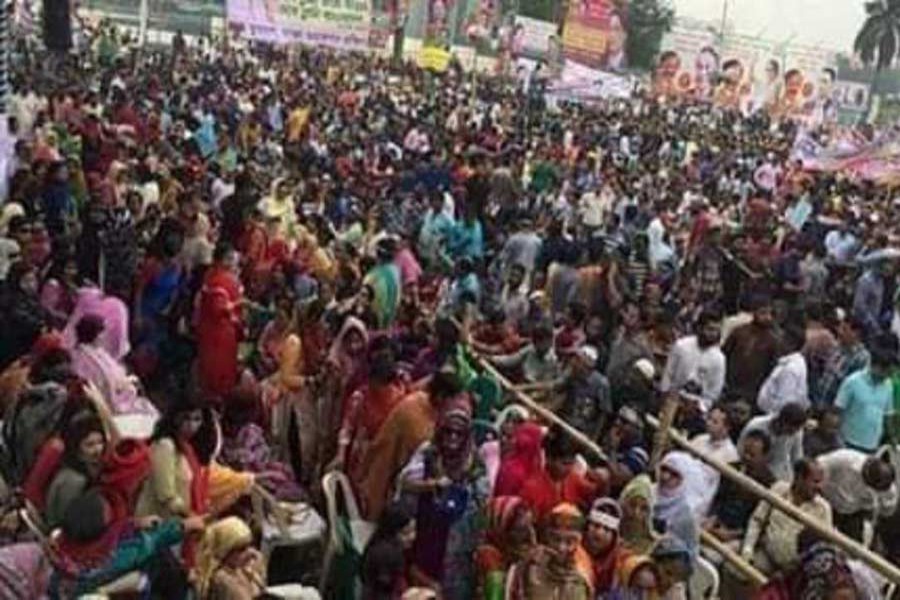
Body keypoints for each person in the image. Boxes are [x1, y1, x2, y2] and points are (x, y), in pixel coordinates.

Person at [400, 395, 489, 600]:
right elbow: (404, 482)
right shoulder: (429, 453)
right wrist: (432, 485)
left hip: (458, 541)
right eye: (448, 432)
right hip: (427, 532)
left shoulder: (475, 463)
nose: (452, 438)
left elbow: (483, 500)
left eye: (459, 434)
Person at [359, 371, 464, 520]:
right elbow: (410, 471)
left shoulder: (421, 402)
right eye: (454, 399)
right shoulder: (418, 423)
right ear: (441, 397)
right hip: (388, 488)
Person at [741, 458, 833, 575]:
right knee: (739, 570)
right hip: (766, 556)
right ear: (799, 478)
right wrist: (748, 550)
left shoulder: (823, 508)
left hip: (797, 572)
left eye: (821, 482)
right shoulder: (778, 489)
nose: (819, 487)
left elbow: (823, 548)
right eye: (815, 481)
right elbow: (757, 520)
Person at [69, 314, 158, 417]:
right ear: (96, 334)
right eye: (103, 333)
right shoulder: (91, 360)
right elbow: (106, 383)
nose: (105, 336)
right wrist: (125, 383)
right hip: (108, 398)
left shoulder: (95, 352)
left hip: (117, 387)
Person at [506, 503, 593, 600]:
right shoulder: (530, 564)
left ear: (579, 541)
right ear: (547, 537)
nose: (561, 548)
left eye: (569, 542)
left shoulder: (583, 572)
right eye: (556, 539)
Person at [706, 429, 776, 547]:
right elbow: (719, 498)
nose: (746, 457)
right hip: (717, 523)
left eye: (752, 455)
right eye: (745, 452)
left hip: (740, 535)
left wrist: (734, 534)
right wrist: (712, 519)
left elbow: (760, 522)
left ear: (764, 457)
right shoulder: (731, 468)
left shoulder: (769, 483)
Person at [196, 243, 245, 400]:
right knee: (221, 372)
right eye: (231, 259)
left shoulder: (209, 275)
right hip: (223, 333)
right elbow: (224, 309)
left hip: (206, 328)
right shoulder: (228, 281)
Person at [818, 448, 897, 542]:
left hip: (853, 513)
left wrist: (874, 513)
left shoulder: (888, 490)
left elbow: (887, 512)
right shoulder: (844, 458)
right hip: (826, 499)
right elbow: (817, 467)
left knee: (854, 548)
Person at [44, 412, 107, 528]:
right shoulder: (74, 481)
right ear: (77, 449)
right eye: (89, 445)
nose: (98, 449)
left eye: (100, 442)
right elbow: (67, 521)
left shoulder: (86, 469)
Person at [834, 342, 895, 452]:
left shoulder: (888, 385)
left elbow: (887, 415)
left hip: (872, 445)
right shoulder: (852, 382)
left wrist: (892, 439)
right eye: (887, 372)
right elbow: (837, 410)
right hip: (848, 442)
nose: (888, 376)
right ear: (875, 366)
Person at [660, 310, 726, 410]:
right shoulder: (681, 345)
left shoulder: (719, 359)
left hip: (696, 408)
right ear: (699, 328)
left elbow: (714, 393)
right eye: (710, 329)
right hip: (672, 399)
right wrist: (665, 394)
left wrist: (699, 406)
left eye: (716, 331)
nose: (713, 334)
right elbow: (668, 374)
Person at [475, 496, 537, 598]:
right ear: (502, 527)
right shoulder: (490, 559)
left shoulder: (514, 551)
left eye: (530, 526)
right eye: (520, 529)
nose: (529, 535)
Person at [723, 294, 780, 402]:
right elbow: (724, 354)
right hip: (731, 386)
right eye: (763, 313)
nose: (767, 317)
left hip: (754, 391)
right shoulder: (739, 331)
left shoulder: (772, 340)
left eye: (769, 313)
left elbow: (772, 368)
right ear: (754, 312)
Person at [196, 516, 266, 600]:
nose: (250, 552)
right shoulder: (222, 578)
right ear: (225, 552)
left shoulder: (241, 570)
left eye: (249, 546)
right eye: (241, 549)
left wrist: (257, 573)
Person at [689, 405, 739, 518]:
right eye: (709, 419)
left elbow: (717, 489)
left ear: (727, 427)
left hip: (702, 497)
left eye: (715, 422)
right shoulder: (699, 439)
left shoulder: (731, 455)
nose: (709, 423)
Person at [361, 502, 418, 600]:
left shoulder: (392, 550)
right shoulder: (386, 555)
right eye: (406, 533)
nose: (413, 537)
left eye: (414, 530)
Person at [739, 402, 807, 481]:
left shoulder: (797, 433)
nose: (792, 434)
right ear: (783, 422)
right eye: (790, 430)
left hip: (774, 470)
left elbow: (796, 459)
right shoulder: (756, 425)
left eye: (796, 431)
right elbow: (740, 449)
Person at [653, 452, 702, 559]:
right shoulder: (647, 492)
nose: (665, 477)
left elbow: (689, 556)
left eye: (674, 475)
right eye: (664, 469)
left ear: (684, 480)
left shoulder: (685, 515)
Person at [817, 315, 870, 406]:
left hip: (835, 410)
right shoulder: (836, 348)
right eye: (840, 327)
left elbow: (853, 390)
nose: (839, 332)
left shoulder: (862, 357)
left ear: (856, 333)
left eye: (844, 329)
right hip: (820, 402)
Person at [757, 323, 809, 414]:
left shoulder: (791, 369)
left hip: (772, 415)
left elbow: (783, 401)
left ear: (790, 343)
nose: (779, 341)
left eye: (782, 338)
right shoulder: (791, 362)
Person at [583, 498, 631, 595]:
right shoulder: (573, 550)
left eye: (607, 529)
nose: (599, 533)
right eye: (596, 525)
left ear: (614, 536)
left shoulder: (622, 560)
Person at [619, 474, 658, 555]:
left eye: (643, 508)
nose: (636, 513)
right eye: (632, 505)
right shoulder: (607, 535)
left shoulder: (656, 546)